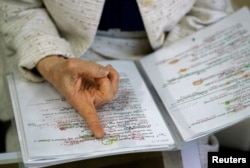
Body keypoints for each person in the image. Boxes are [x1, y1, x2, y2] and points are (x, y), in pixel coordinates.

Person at [0, 0, 234, 166]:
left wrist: (173, 66)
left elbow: (210, 8)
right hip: (58, 48)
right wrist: (51, 63)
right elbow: (18, 6)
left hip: (178, 46)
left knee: (185, 158)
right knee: (42, 154)